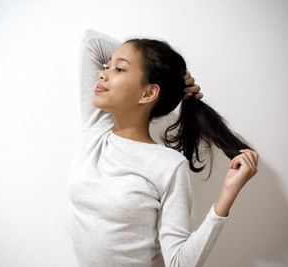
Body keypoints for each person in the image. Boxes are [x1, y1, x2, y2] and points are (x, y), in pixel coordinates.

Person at [68, 29, 259, 267]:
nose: (102, 74)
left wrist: (227, 196)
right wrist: (177, 77)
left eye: (119, 69)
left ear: (148, 92)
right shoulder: (95, 129)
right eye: (108, 66)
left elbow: (179, 263)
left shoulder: (169, 166)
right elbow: (91, 43)